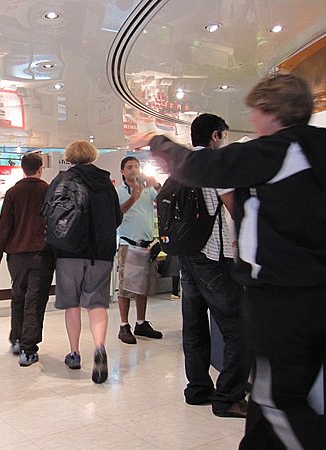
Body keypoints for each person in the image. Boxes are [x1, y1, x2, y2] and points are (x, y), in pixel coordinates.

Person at [132, 74, 326, 449]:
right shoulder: (317, 149)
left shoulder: (277, 151)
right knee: (305, 390)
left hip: (280, 294)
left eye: (255, 112)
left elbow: (202, 168)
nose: (251, 120)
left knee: (276, 399)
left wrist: (155, 141)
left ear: (272, 111)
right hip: (313, 290)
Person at [178, 113, 250, 419]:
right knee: (239, 328)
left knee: (194, 326)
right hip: (212, 257)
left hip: (186, 255)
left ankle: (198, 389)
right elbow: (237, 211)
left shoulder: (180, 166)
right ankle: (228, 397)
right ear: (216, 136)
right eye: (226, 134)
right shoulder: (216, 165)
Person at [49, 140, 122, 384]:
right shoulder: (106, 183)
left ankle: (74, 352)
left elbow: (49, 214)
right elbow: (116, 218)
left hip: (69, 252)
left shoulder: (62, 180)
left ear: (69, 157)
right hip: (100, 253)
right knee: (97, 302)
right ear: (93, 156)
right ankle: (99, 346)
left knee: (72, 304)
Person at [0, 152, 54, 367]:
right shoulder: (48, 191)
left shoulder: (12, 192)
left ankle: (17, 338)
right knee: (35, 301)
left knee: (19, 296)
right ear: (40, 168)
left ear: (23, 168)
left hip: (16, 257)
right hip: (41, 255)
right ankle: (29, 349)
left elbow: (5, 226)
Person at [116, 156, 163, 344]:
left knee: (142, 287)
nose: (133, 170)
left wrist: (157, 185)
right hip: (128, 243)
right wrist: (133, 197)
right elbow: (117, 214)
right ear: (122, 171)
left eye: (136, 166)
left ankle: (141, 323)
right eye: (129, 167)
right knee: (126, 287)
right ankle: (123, 325)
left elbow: (165, 200)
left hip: (147, 244)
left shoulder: (148, 190)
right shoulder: (118, 191)